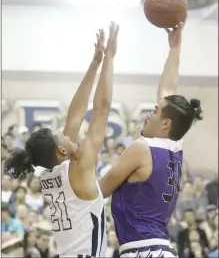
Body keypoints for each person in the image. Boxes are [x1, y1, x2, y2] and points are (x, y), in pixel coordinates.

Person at [5, 22, 119, 257]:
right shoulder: (79, 167)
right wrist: (109, 57)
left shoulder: (50, 174)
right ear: (62, 150)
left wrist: (94, 63)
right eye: (62, 135)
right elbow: (102, 110)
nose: (67, 133)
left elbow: (76, 114)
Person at [100, 22, 203, 257]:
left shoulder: (141, 148)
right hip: (159, 248)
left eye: (155, 111)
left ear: (166, 123)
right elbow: (167, 91)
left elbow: (100, 189)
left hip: (142, 250)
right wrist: (175, 48)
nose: (149, 113)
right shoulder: (175, 146)